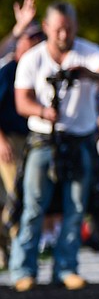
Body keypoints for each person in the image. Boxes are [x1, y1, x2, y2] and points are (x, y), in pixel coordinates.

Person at [10, 1, 99, 291]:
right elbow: (22, 101)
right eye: (58, 29)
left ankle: (66, 266)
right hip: (43, 139)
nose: (63, 35)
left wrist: (88, 74)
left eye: (68, 29)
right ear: (46, 28)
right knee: (33, 206)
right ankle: (23, 269)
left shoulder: (88, 52)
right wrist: (44, 111)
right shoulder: (33, 58)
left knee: (77, 206)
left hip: (80, 138)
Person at [0, 23, 46, 269]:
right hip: (9, 141)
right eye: (32, 39)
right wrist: (1, 141)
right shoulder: (9, 71)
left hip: (28, 139)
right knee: (16, 197)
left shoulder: (36, 68)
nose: (37, 43)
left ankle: (14, 253)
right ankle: (19, 256)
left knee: (17, 199)